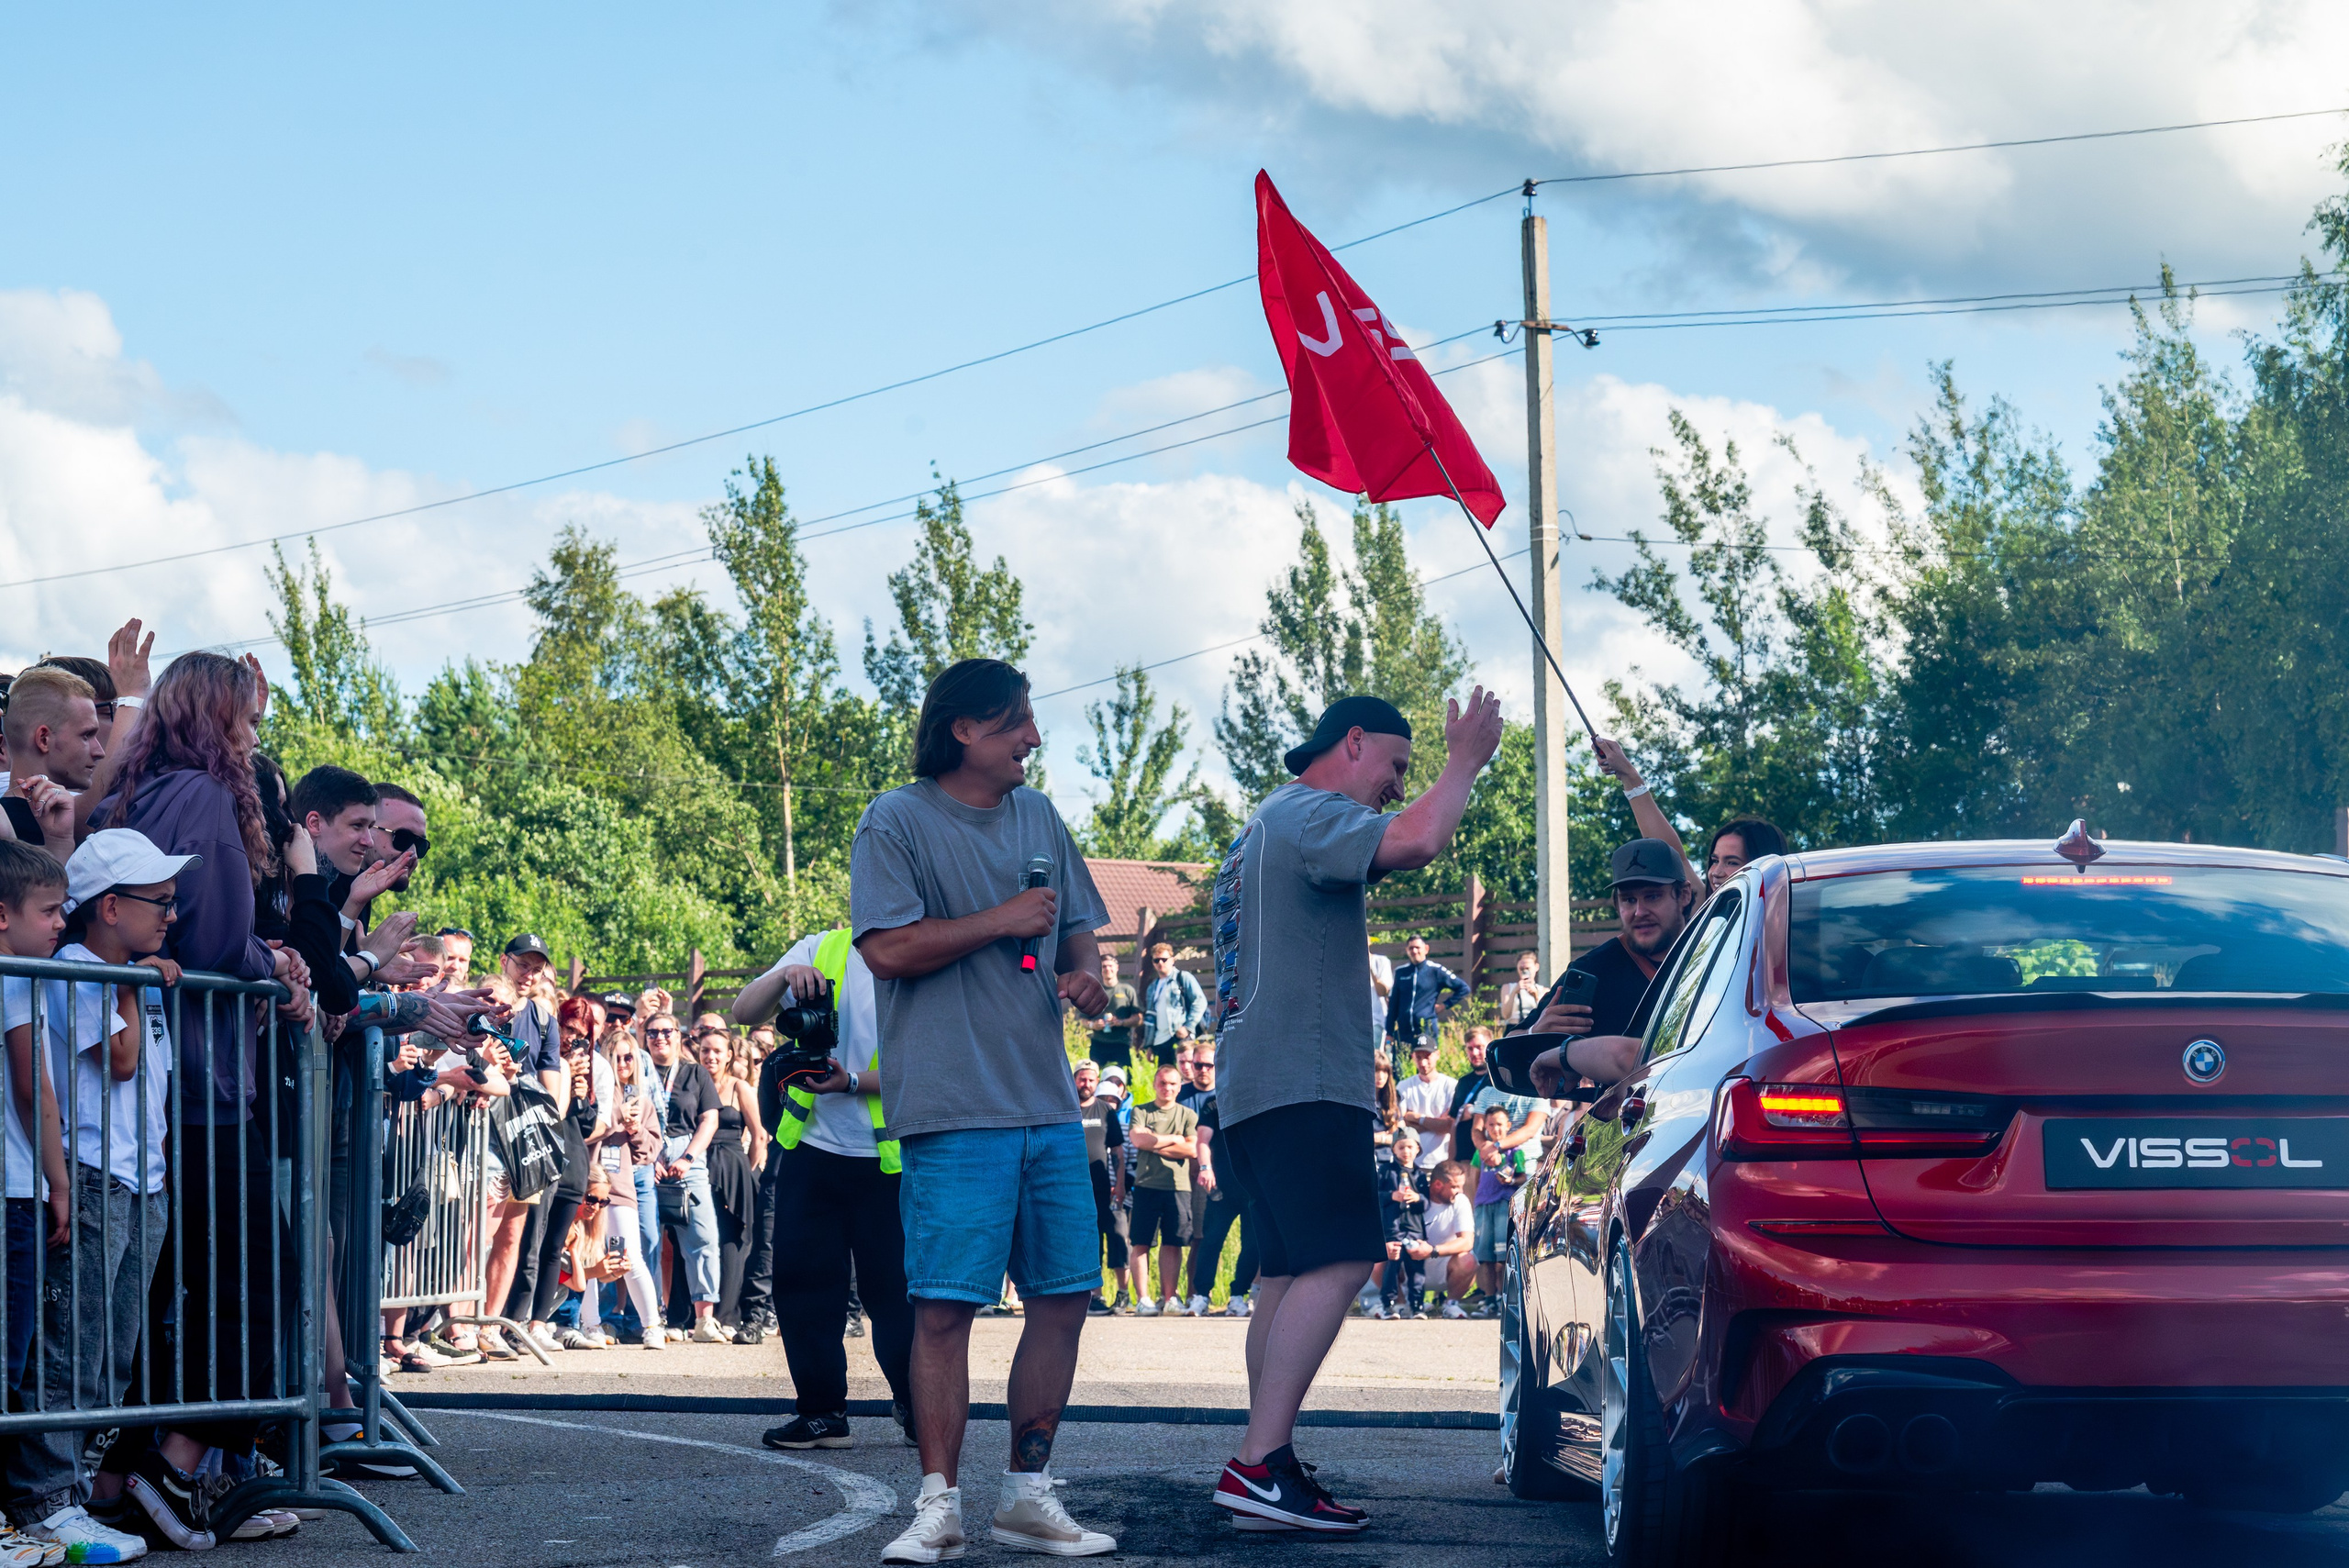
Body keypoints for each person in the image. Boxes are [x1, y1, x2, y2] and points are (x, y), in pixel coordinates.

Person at [1205, 689, 1500, 1534]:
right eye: (1397, 767)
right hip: (1304, 1075)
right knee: (1340, 1260)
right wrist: (1464, 761)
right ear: (1356, 741)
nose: (1398, 787)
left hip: (1253, 1081)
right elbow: (1417, 839)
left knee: (1285, 1273)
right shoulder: (1310, 813)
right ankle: (1261, 1465)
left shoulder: (1265, 823)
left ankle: (1267, 1459)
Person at [849, 657, 1116, 1562]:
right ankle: (936, 1502)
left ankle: (1029, 1493)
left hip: (1045, 1101)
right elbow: (885, 948)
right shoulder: (895, 818)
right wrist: (1002, 919)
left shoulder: (1040, 813)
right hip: (953, 1106)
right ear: (962, 728)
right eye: (1015, 724)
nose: (1032, 738)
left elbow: (1076, 925)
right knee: (943, 1309)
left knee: (1065, 1295)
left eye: (1030, 722)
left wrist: (1086, 977)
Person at [88, 651, 315, 1551]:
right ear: (219, 719)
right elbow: (216, 938)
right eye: (248, 720)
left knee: (179, 1284)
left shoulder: (135, 791)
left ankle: (129, 1469)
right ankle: (174, 1464)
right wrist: (280, 961)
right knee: (255, 1278)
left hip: (160, 1079)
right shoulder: (205, 800)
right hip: (206, 1078)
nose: (255, 738)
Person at [735, 925, 914, 1448]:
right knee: (804, 1290)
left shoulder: (925, 953)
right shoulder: (823, 946)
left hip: (891, 1160)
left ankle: (917, 1404)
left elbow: (935, 1067)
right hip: (812, 1153)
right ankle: (821, 1414)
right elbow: (746, 1011)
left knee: (896, 1298)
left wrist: (853, 1082)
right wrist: (785, 976)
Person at [1589, 737, 1787, 894]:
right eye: (1715, 860)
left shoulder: (1795, 919)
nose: (1716, 873)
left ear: (1764, 869)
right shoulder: (1708, 913)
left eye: (1732, 862)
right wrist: (1628, 775)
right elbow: (1674, 855)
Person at [642, 1013, 725, 1343]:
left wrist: (688, 1157)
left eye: (666, 1031)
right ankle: (646, 1317)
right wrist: (648, 1158)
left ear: (678, 1035)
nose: (660, 1037)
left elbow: (710, 1119)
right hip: (645, 1157)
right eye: (652, 1032)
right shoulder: (638, 1068)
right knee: (646, 1242)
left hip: (688, 1157)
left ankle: (704, 1320)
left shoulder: (695, 1073)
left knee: (703, 1239)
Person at [693, 1021, 764, 1334]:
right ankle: (696, 1316)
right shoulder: (692, 1082)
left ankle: (728, 1317)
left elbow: (760, 1135)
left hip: (735, 1166)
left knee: (734, 1242)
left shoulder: (739, 1086)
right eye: (705, 1050)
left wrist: (745, 1173)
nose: (710, 1056)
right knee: (701, 1239)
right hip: (699, 1165)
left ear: (729, 1055)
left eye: (717, 1051)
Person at [0, 668, 104, 851]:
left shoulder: (58, 824)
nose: (99, 751)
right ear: (44, 739)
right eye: (86, 735)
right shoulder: (6, 834)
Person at [1183, 1051, 1252, 1318]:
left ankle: (1238, 1296)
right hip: (1220, 1188)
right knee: (1210, 1241)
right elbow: (1202, 1140)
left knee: (1253, 1244)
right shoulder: (1215, 1103)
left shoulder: (1259, 1101)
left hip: (1250, 1188)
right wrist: (1205, 1167)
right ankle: (1201, 1296)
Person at [1126, 1065, 1197, 1318]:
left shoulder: (1187, 1114)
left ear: (1179, 1086)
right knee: (1141, 1243)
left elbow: (1192, 1150)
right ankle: (1143, 1299)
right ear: (1155, 1084)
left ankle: (1170, 1299)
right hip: (1146, 1186)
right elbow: (1138, 1141)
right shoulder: (1141, 1111)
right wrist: (1175, 1139)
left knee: (1173, 1243)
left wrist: (1155, 1144)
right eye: (1163, 1083)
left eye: (1172, 1084)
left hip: (1178, 1188)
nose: (1167, 1088)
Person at [1071, 1062, 1127, 1316]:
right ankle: (1082, 1293)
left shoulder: (1105, 1110)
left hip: (1102, 1188)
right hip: (1070, 1188)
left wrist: (1121, 1184)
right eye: (1082, 1079)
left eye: (1091, 1080)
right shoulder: (1066, 1108)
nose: (1086, 1084)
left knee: (1106, 1238)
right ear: (1073, 1080)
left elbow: (1117, 1150)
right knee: (1080, 1240)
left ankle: (1108, 1293)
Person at [1470, 1106, 1537, 1309]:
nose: (1495, 1128)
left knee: (1502, 1254)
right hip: (1483, 1206)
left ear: (1508, 1126)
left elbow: (1523, 1178)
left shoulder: (1515, 1152)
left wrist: (1509, 1181)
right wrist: (1476, 1200)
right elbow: (1475, 1177)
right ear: (1486, 1127)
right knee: (1484, 1255)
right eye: (1491, 1124)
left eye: (1499, 1124)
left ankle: (1505, 1297)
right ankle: (1489, 1298)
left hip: (1502, 1205)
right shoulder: (1480, 1153)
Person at [1372, 1130, 1426, 1319]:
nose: (1406, 1151)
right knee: (1392, 1266)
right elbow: (1374, 1197)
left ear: (1418, 1148)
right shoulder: (1386, 1171)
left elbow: (1426, 1203)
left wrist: (1418, 1198)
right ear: (1393, 1149)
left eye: (1410, 1147)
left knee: (1416, 1269)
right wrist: (1391, 1196)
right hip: (1393, 1230)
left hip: (1415, 1230)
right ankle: (1388, 1305)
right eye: (1401, 1147)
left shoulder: (1420, 1175)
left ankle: (1417, 1305)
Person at [1384, 935, 1466, 1057]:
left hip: (1426, 1029)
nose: (1414, 951)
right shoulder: (1400, 972)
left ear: (1426, 949)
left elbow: (1463, 988)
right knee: (1399, 1070)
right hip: (1403, 1031)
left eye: (1418, 947)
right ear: (1407, 950)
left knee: (1425, 1065)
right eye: (1411, 948)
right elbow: (1393, 1005)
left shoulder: (1436, 971)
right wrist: (1389, 1031)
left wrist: (1445, 1005)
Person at [1417, 1162, 1476, 1318]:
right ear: (1437, 1185)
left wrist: (1432, 1251)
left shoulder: (1461, 1200)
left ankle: (1450, 1304)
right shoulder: (1416, 1198)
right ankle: (1405, 1303)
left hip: (1445, 1267)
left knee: (1468, 1260)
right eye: (1455, 1186)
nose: (1460, 1191)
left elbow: (1467, 1241)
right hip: (1411, 1265)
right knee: (1386, 1253)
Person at [1396, 1042, 1455, 1175]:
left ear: (1437, 1055)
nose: (1423, 1063)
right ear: (1413, 1057)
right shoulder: (1404, 1086)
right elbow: (1401, 1126)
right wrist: (1435, 1123)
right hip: (1412, 1162)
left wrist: (1416, 1118)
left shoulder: (1450, 1085)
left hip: (1441, 1160)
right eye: (1418, 1057)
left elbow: (1447, 1125)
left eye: (1427, 1056)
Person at [1140, 943, 1205, 1063]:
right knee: (1166, 1078)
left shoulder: (1183, 977)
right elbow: (1150, 1017)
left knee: (1185, 1075)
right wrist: (1150, 1045)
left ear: (1172, 960)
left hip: (1180, 1037)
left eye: (1164, 959)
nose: (1160, 963)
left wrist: (1188, 1027)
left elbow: (1200, 1002)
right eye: (1156, 960)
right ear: (1153, 963)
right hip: (1159, 1041)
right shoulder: (1152, 987)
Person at [1087, 954, 1141, 1073]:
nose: (1107, 969)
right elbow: (1083, 1019)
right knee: (1094, 1078)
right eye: (1104, 966)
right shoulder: (1094, 990)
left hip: (1120, 1043)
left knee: (1124, 1078)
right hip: (1098, 1043)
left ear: (1117, 967)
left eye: (1110, 966)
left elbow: (1139, 1019)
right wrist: (1093, 1025)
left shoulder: (1127, 990)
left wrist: (1121, 1022)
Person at [1496, 953, 1542, 1029]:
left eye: (1528, 968)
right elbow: (1505, 1015)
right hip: (1514, 1026)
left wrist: (1536, 996)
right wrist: (1514, 992)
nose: (1524, 971)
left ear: (1536, 967)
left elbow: (1545, 1013)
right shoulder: (1508, 987)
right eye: (1521, 969)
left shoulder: (1542, 990)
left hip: (1535, 1027)